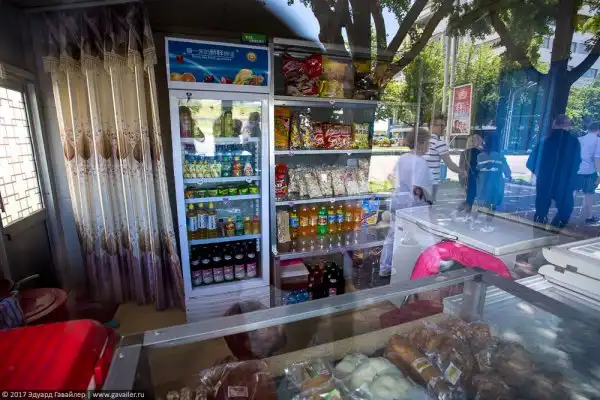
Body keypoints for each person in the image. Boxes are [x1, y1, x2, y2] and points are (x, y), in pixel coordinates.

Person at [380, 128, 433, 276]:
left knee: (392, 235)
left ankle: (385, 267)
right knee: (425, 234)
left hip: (398, 201)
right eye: (427, 142)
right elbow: (417, 188)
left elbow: (392, 177)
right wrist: (429, 200)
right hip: (414, 205)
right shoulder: (421, 162)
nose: (429, 146)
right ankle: (433, 262)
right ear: (420, 143)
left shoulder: (402, 158)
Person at [527, 114, 581, 228]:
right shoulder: (574, 142)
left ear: (554, 125)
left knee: (541, 210)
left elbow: (531, 162)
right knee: (565, 209)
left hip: (545, 181)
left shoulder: (545, 141)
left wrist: (541, 174)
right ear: (568, 126)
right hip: (564, 182)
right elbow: (576, 164)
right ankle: (555, 228)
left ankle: (538, 230)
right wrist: (572, 182)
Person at [424, 114, 463, 200]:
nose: (444, 128)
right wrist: (463, 172)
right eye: (441, 125)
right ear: (432, 126)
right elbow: (450, 164)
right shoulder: (439, 143)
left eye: (444, 125)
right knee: (428, 205)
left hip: (420, 181)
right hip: (431, 182)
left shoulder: (422, 141)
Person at [475, 134, 511, 221]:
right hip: (496, 183)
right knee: (492, 202)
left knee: (482, 201)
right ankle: (488, 220)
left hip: (483, 182)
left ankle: (476, 219)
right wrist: (509, 176)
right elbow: (506, 170)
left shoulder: (480, 156)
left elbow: (477, 169)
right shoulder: (500, 156)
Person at [576, 121, 600, 223]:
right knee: (588, 195)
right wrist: (599, 175)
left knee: (572, 193)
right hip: (590, 172)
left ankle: (563, 216)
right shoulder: (598, 141)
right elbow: (597, 159)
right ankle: (589, 217)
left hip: (576, 171)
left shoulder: (579, 140)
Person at [459, 132, 484, 212]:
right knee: (472, 197)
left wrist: (461, 180)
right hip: (477, 179)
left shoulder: (464, 153)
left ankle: (466, 210)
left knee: (469, 196)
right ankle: (466, 209)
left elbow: (461, 167)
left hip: (467, 178)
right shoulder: (482, 153)